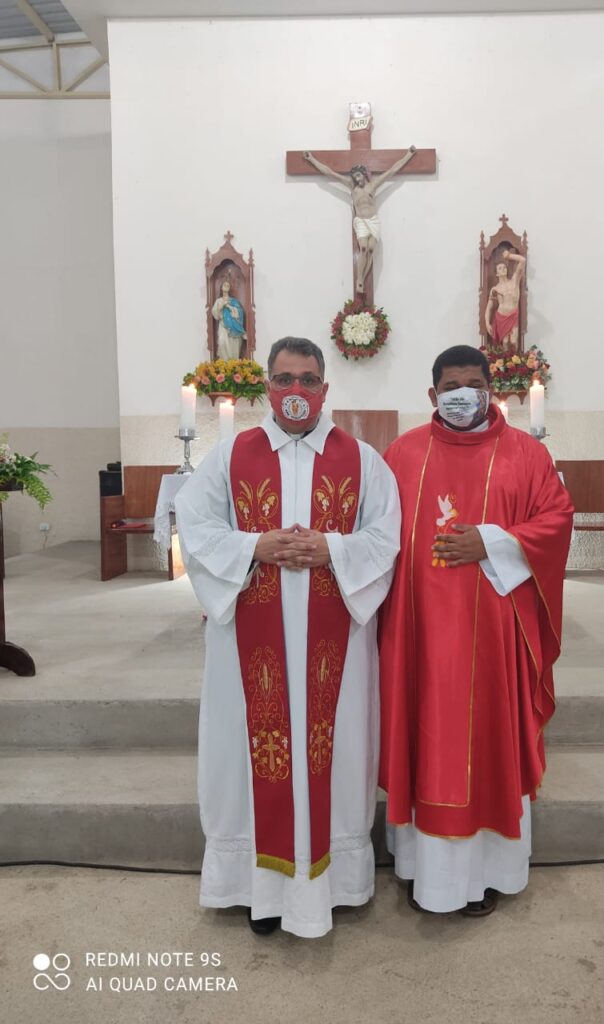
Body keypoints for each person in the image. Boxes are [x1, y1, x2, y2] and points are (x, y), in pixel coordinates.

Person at [175, 336, 400, 939]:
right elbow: (195, 527)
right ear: (266, 388)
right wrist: (256, 545)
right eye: (283, 379)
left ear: (325, 388)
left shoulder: (363, 461)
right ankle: (258, 888)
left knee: (337, 750)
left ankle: (333, 884)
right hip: (248, 643)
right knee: (247, 753)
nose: (295, 391)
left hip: (336, 644)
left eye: (307, 380)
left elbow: (386, 538)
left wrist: (333, 549)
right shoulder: (230, 456)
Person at [378, 345, 573, 917]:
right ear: (433, 394)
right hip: (418, 631)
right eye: (451, 386)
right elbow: (374, 533)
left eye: (474, 385)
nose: (463, 395)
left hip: (494, 634)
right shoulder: (402, 454)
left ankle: (488, 873)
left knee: (488, 741)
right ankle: (422, 869)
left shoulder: (526, 454)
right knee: (425, 737)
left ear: (491, 390)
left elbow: (556, 520)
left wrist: (489, 541)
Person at [303, 147, 417, 294]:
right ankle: (360, 280)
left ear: (363, 174)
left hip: (373, 220)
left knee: (371, 249)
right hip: (361, 221)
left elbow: (392, 171)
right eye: (355, 177)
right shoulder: (352, 187)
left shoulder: (373, 185)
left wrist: (408, 155)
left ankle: (362, 278)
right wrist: (311, 159)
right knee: (363, 248)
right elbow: (330, 173)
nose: (357, 179)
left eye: (358, 175)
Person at [484, 250, 527, 353]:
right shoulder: (495, 289)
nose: (503, 269)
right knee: (505, 342)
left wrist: (509, 256)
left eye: (504, 267)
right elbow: (489, 307)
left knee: (514, 341)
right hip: (501, 317)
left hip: (513, 315)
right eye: (500, 268)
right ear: (497, 273)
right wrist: (487, 322)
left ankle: (517, 360)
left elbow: (522, 260)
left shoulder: (514, 281)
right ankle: (505, 362)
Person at [211, 277, 246, 359]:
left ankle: (233, 363)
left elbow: (240, 312)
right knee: (222, 342)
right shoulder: (219, 301)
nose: (226, 287)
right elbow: (215, 315)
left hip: (233, 327)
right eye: (224, 285)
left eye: (228, 285)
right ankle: (224, 363)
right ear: (221, 287)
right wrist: (222, 306)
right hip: (223, 325)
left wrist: (232, 309)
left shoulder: (233, 301)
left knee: (233, 344)